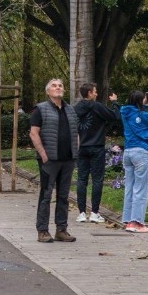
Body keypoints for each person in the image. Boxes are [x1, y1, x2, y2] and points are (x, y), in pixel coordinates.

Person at [28, 78, 78, 243]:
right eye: (54, 86)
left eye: (60, 86)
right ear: (48, 91)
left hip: (68, 159)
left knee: (64, 195)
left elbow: (75, 132)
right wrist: (43, 154)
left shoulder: (70, 109)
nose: (58, 88)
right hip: (49, 161)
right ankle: (42, 230)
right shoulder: (40, 109)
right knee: (46, 195)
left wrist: (76, 151)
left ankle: (61, 230)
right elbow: (34, 133)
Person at [72, 83, 119, 224]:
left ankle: (81, 212)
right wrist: (115, 103)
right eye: (95, 91)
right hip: (97, 146)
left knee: (82, 179)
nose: (97, 94)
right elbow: (114, 116)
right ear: (90, 93)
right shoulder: (97, 106)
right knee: (97, 180)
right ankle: (94, 212)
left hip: (82, 147)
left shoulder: (76, 108)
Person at [120, 90, 148, 233]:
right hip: (141, 151)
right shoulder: (142, 115)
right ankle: (137, 222)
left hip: (128, 151)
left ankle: (128, 220)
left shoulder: (124, 112)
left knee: (130, 187)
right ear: (141, 101)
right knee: (141, 189)